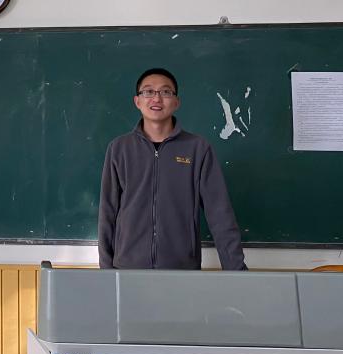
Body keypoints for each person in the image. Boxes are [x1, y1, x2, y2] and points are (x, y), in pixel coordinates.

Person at [98, 67, 247, 270]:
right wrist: (106, 272)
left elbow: (220, 214)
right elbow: (107, 212)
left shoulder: (198, 149)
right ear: (137, 101)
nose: (156, 98)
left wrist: (236, 271)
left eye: (166, 92)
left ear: (176, 102)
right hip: (127, 269)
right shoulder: (119, 149)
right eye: (148, 91)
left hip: (182, 270)